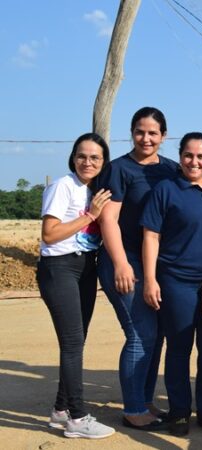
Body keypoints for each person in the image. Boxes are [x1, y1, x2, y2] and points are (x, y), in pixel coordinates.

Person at [141, 132, 202, 437]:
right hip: (176, 281)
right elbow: (151, 236)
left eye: (201, 156)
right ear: (180, 157)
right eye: (189, 155)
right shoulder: (166, 190)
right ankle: (179, 412)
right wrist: (151, 279)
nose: (195, 161)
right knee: (179, 348)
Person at [97, 106, 177, 430]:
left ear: (163, 136)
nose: (146, 138)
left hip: (155, 265)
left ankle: (144, 400)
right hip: (125, 261)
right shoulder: (118, 169)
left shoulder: (171, 170)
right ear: (131, 133)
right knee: (140, 334)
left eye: (153, 133)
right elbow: (108, 220)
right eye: (140, 132)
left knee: (155, 336)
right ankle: (132, 408)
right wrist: (119, 263)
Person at [38, 133, 115, 439]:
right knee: (72, 344)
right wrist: (90, 216)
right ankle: (78, 418)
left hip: (85, 268)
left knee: (75, 343)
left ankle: (59, 411)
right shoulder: (63, 186)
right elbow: (49, 234)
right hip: (60, 268)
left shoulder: (91, 189)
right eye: (82, 156)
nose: (88, 162)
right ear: (73, 158)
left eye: (95, 157)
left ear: (103, 162)